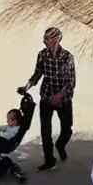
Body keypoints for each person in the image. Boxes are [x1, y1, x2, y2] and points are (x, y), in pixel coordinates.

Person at [20, 26, 75, 170]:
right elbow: (37, 74)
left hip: (63, 100)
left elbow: (70, 82)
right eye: (44, 38)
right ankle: (49, 159)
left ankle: (60, 145)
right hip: (46, 97)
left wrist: (60, 95)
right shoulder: (42, 55)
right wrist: (27, 87)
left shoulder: (67, 57)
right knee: (45, 130)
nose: (44, 41)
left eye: (47, 38)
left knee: (67, 129)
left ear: (55, 39)